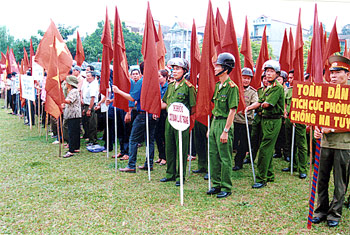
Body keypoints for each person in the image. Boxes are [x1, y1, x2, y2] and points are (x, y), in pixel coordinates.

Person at [312, 55, 350, 228]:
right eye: (331, 72)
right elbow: (317, 113)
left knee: (340, 181)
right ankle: (321, 210)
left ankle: (335, 213)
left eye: (338, 72)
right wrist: (317, 128)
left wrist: (332, 129)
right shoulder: (325, 92)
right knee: (321, 179)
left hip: (343, 144)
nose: (333, 76)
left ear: (347, 75)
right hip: (324, 143)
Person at [245, 60, 285, 189]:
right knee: (266, 148)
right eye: (267, 71)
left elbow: (266, 104)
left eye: (271, 71)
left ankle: (262, 178)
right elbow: (260, 102)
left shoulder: (277, 88)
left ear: (277, 74)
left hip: (273, 121)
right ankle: (269, 174)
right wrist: (248, 108)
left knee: (264, 150)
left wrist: (259, 105)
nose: (268, 74)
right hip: (265, 120)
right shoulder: (268, 87)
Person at [112, 64, 158, 173]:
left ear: (141, 72)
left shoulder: (142, 81)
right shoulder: (154, 80)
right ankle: (149, 164)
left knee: (133, 139)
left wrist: (118, 91)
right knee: (149, 140)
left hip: (143, 114)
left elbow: (132, 97)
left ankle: (131, 165)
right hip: (153, 113)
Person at [206, 53, 239, 199]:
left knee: (225, 156)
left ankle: (226, 186)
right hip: (215, 122)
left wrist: (225, 131)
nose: (215, 68)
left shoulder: (232, 87)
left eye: (218, 66)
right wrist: (210, 128)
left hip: (225, 123)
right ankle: (217, 183)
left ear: (225, 69)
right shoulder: (218, 86)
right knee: (213, 155)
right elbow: (215, 108)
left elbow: (232, 110)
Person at [160, 58, 196, 186]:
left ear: (184, 71)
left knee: (181, 149)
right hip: (169, 121)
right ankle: (170, 173)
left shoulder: (188, 87)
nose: (174, 71)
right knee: (169, 147)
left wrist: (184, 118)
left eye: (178, 69)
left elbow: (193, 107)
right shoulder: (170, 86)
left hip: (182, 122)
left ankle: (180, 176)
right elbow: (165, 103)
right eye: (173, 69)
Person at [281, 71, 308, 179]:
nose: (290, 80)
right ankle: (293, 164)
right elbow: (285, 102)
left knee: (301, 144)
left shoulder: (303, 89)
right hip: (289, 119)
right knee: (290, 142)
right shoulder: (288, 90)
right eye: (289, 78)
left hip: (299, 119)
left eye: (292, 78)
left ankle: (302, 169)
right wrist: (284, 111)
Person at [232, 67, 257, 171]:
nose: (246, 80)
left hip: (246, 122)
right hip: (234, 121)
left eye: (248, 78)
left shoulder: (252, 92)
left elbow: (256, 103)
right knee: (232, 143)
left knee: (243, 144)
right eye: (244, 78)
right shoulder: (235, 89)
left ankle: (238, 163)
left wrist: (249, 107)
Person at [244, 72, 268, 164]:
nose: (266, 81)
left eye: (267, 78)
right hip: (258, 117)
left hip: (267, 118)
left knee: (264, 140)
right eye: (264, 79)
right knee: (254, 139)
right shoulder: (259, 91)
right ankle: (250, 157)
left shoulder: (273, 90)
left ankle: (263, 160)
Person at [62, 75, 81, 158]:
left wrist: (60, 99)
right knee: (75, 132)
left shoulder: (74, 91)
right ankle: (76, 147)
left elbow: (69, 101)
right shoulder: (71, 91)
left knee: (72, 132)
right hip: (72, 114)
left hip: (74, 114)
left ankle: (71, 150)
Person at [155, 69, 168, 166]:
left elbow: (165, 103)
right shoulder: (157, 87)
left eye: (159, 76)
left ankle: (165, 157)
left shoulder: (168, 88)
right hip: (157, 113)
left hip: (165, 114)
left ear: (165, 77)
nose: (158, 78)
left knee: (164, 136)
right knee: (157, 135)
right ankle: (160, 155)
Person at [81, 71, 99, 145]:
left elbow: (93, 98)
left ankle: (93, 140)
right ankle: (89, 137)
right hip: (86, 104)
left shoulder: (94, 85)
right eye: (87, 76)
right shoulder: (86, 83)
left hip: (91, 105)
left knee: (92, 123)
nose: (87, 78)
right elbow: (82, 91)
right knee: (86, 122)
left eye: (89, 76)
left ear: (93, 77)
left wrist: (89, 109)